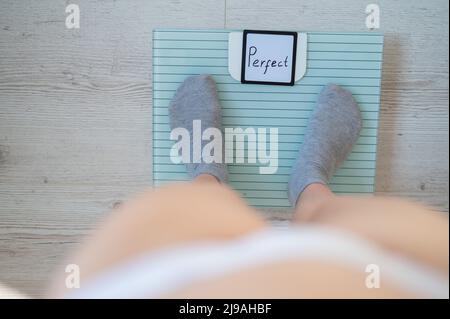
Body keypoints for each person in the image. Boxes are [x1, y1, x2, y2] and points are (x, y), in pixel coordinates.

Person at [49, 76, 449, 298]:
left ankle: (208, 173)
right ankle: (309, 181)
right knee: (346, 217)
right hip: (390, 278)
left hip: (159, 283)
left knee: (172, 211)